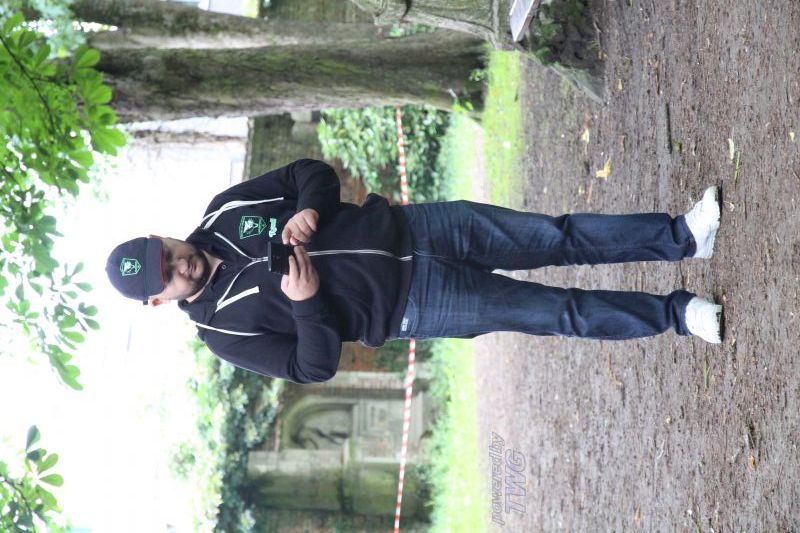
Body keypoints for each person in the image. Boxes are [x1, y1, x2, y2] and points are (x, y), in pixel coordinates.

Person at [106, 158, 723, 384]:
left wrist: (308, 209)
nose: (178, 264)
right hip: (417, 304)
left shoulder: (223, 211)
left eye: (166, 252)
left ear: (160, 234)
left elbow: (307, 173)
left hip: (420, 227)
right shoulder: (222, 333)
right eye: (166, 277)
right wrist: (306, 302)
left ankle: (683, 237)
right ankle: (678, 315)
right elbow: (310, 367)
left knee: (556, 235)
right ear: (158, 301)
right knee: (557, 312)